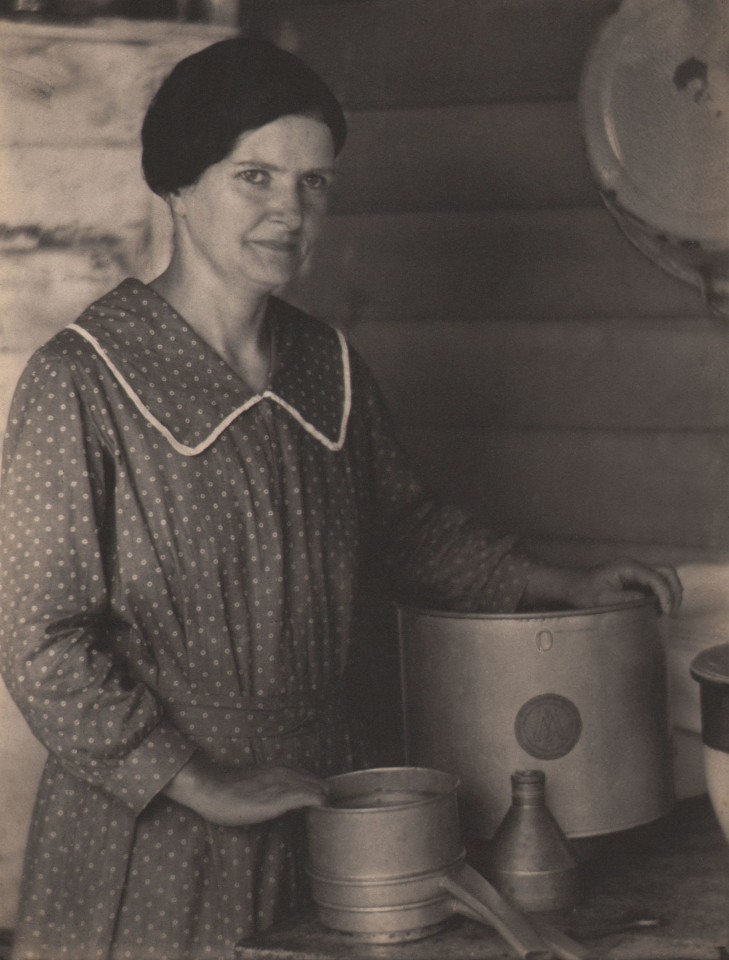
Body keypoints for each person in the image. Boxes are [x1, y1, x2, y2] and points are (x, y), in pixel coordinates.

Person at [0, 37, 682, 960]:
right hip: (156, 831)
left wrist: (563, 583)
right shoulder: (82, 380)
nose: (289, 211)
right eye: (254, 176)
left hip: (325, 804)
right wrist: (200, 782)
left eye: (313, 183)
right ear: (178, 184)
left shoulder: (327, 366)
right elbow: (40, 639)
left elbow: (403, 532)